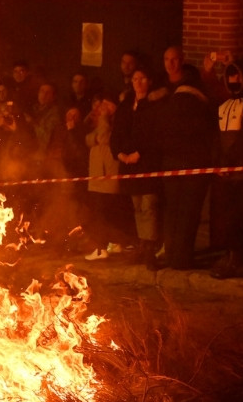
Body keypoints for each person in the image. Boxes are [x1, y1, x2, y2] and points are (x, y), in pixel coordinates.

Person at [157, 64, 218, 270]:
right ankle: (182, 258)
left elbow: (162, 135)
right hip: (194, 167)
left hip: (170, 165)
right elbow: (209, 135)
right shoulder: (201, 105)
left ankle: (170, 254)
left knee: (172, 211)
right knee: (188, 213)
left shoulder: (171, 103)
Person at [208, 60, 243, 278]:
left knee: (242, 216)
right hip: (226, 173)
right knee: (227, 216)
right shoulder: (222, 106)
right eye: (230, 76)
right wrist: (217, 162)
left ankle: (242, 258)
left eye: (238, 75)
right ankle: (231, 255)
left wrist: (229, 161)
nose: (234, 80)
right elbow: (216, 138)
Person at [111, 67, 163, 266]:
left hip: (147, 162)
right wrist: (120, 153)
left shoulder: (154, 105)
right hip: (128, 163)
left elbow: (154, 133)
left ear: (149, 81)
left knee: (148, 205)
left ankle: (150, 245)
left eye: (142, 78)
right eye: (135, 79)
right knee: (137, 206)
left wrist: (139, 153)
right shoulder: (125, 105)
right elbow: (117, 132)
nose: (138, 82)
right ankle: (142, 243)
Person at [83, 92, 132, 260]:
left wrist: (103, 119)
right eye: (101, 105)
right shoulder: (101, 122)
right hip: (98, 175)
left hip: (107, 175)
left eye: (107, 104)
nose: (102, 108)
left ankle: (101, 248)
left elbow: (103, 138)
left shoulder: (116, 121)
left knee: (104, 214)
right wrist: (96, 134)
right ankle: (113, 243)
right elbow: (87, 139)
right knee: (103, 213)